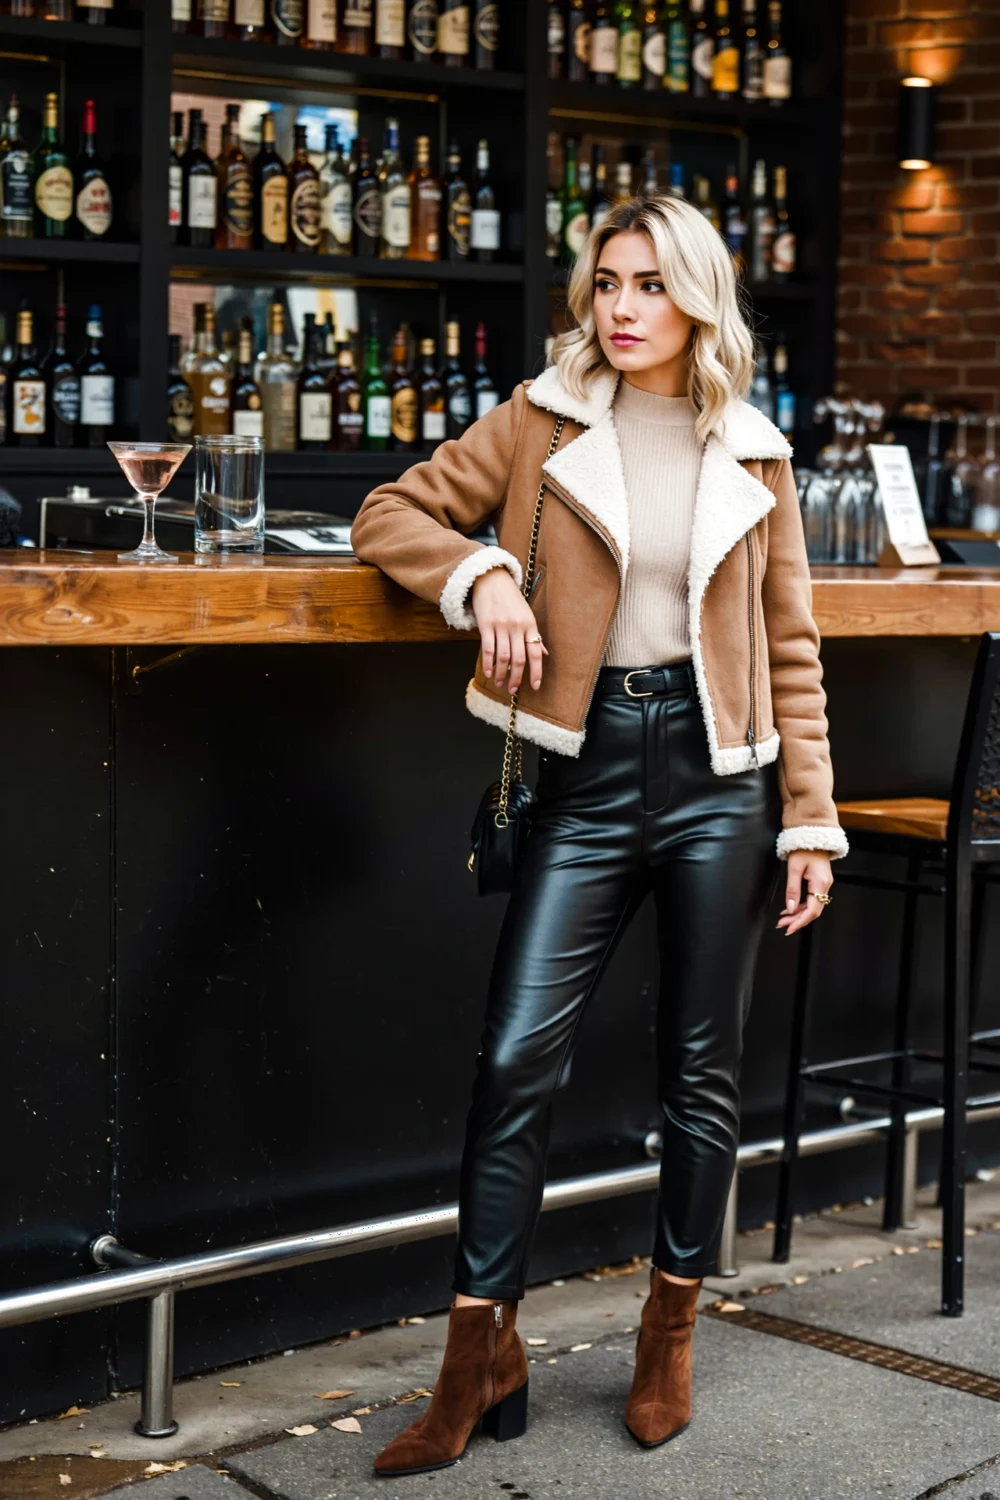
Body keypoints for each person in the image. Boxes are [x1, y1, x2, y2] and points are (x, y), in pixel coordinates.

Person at [350, 193, 848, 1477]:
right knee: (513, 1060)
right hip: (580, 778)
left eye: (649, 285)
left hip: (717, 782)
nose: (621, 307)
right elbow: (391, 510)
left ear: (696, 299)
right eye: (606, 282)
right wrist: (485, 576)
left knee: (701, 1076)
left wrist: (809, 816)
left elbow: (790, 647)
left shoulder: (754, 447)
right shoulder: (540, 416)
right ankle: (479, 1352)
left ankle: (668, 1332)